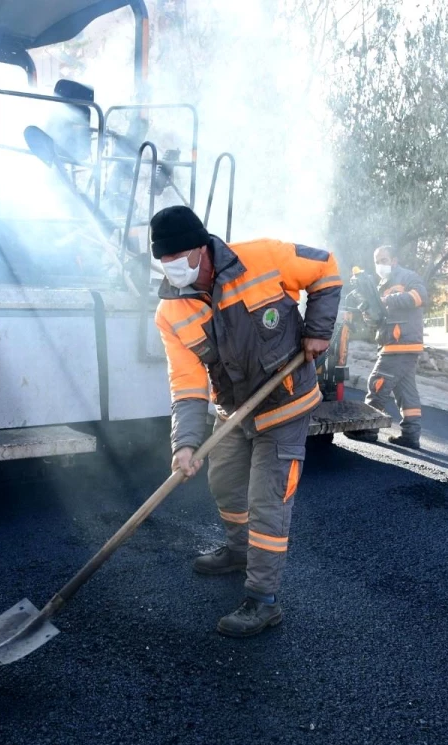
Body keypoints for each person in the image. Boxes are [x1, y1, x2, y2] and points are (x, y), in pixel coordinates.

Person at [152, 206, 341, 638]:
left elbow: (326, 268)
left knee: (267, 501)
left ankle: (262, 599)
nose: (171, 269)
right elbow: (186, 385)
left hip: (286, 402)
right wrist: (184, 444)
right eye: (163, 262)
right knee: (224, 482)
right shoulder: (170, 313)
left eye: (178, 258)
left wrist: (318, 329)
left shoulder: (263, 257)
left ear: (202, 248)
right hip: (235, 411)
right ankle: (239, 551)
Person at [363, 245, 428, 448]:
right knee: (405, 391)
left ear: (394, 261)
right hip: (396, 344)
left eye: (384, 260)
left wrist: (386, 301)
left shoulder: (408, 277)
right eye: (377, 261)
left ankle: (366, 428)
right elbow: (381, 318)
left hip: (400, 344)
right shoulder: (381, 285)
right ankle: (410, 435)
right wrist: (371, 316)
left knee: (378, 383)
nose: (380, 264)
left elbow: (419, 297)